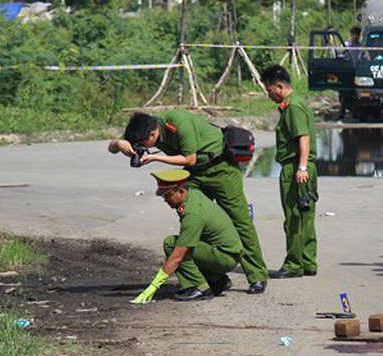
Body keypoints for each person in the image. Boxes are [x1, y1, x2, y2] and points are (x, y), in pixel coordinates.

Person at [108, 109, 268, 295]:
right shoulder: (141, 129)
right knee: (194, 219)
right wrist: (119, 143)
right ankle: (215, 278)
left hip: (221, 168)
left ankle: (257, 276)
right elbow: (111, 147)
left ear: (153, 133)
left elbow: (190, 159)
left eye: (143, 143)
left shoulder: (178, 121)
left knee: (240, 221)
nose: (141, 146)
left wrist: (154, 157)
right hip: (197, 173)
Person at [131, 169, 243, 303]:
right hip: (225, 252)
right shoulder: (193, 195)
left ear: (181, 191)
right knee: (187, 243)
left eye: (168, 195)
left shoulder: (192, 214)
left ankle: (199, 287)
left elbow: (177, 257)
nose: (165, 200)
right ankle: (217, 280)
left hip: (225, 257)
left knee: (172, 244)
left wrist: (153, 287)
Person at [261, 65, 319, 279]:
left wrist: (301, 168)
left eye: (269, 91)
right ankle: (308, 262)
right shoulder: (297, 103)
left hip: (296, 167)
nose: (269, 96)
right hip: (303, 166)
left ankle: (294, 264)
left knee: (294, 217)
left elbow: (302, 137)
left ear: (279, 86)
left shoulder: (293, 106)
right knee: (305, 215)